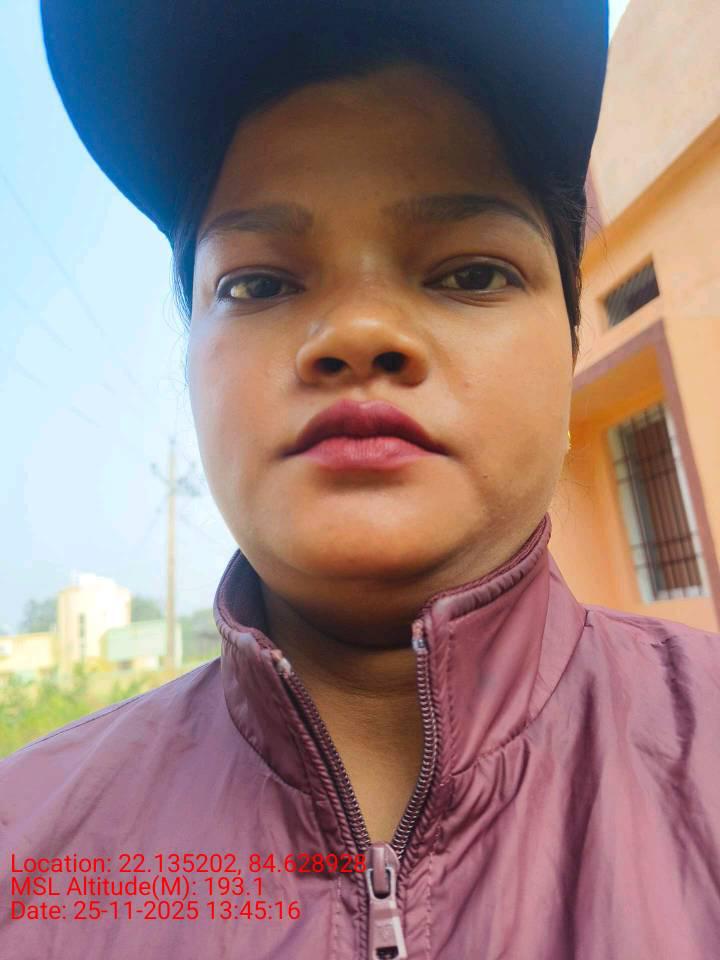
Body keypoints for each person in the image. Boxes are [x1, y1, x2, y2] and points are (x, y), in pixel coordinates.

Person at [2, 2, 719, 957]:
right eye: (260, 283)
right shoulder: (24, 850)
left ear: (570, 343)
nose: (358, 332)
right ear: (190, 357)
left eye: (469, 273)